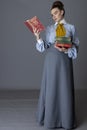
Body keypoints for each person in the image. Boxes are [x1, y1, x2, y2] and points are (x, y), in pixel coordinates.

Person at [33, 1, 79, 130]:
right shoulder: (49, 28)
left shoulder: (71, 28)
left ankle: (66, 121)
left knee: (64, 88)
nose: (54, 16)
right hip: (51, 62)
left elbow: (75, 48)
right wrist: (38, 37)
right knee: (51, 89)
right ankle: (50, 120)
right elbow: (44, 47)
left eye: (56, 13)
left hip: (64, 61)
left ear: (62, 11)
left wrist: (67, 50)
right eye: (52, 15)